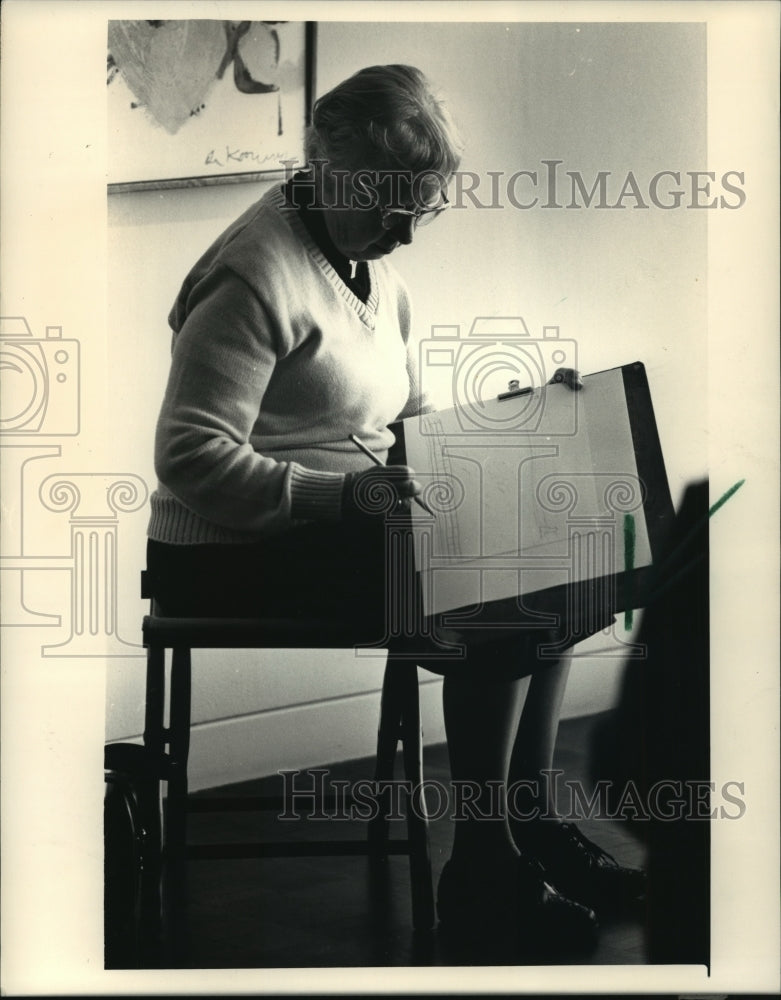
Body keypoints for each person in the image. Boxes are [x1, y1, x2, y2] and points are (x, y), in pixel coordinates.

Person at [146, 64, 642, 954]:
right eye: (388, 204)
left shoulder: (374, 269)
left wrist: (520, 423)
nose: (406, 232)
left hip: (349, 524)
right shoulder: (252, 273)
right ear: (326, 163)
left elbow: (405, 426)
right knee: (497, 587)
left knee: (558, 547)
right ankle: (485, 867)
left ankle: (526, 824)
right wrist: (341, 496)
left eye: (423, 209)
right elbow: (189, 457)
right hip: (233, 549)